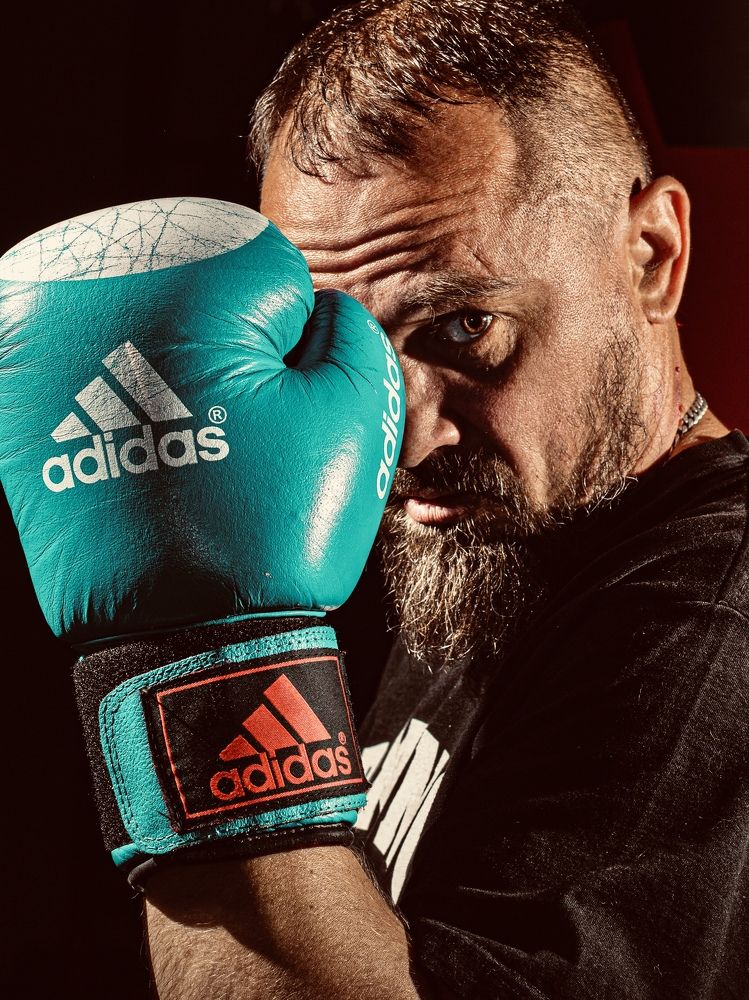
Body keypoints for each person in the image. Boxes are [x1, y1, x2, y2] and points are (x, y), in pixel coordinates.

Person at [2, 1, 745, 998]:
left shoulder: (704, 628)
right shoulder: (507, 553)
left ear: (651, 254)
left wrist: (193, 646)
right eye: (329, 347)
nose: (402, 435)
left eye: (464, 327)